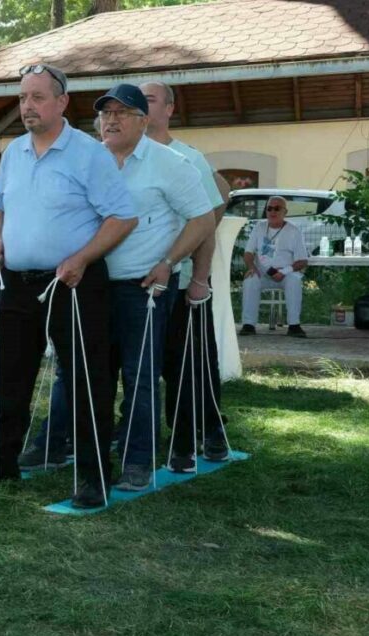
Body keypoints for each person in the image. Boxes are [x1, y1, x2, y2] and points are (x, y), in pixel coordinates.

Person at [0, 63, 137, 510]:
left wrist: (81, 258)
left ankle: (93, 476)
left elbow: (123, 217)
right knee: (9, 376)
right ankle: (2, 463)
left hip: (74, 282)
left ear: (61, 103)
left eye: (38, 97)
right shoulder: (15, 151)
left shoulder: (88, 153)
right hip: (17, 284)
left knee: (85, 379)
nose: (27, 106)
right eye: (23, 98)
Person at [93, 84, 215, 491]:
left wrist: (169, 264)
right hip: (92, 286)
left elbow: (202, 220)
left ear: (144, 121)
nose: (110, 119)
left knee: (140, 377)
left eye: (121, 112)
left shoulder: (171, 163)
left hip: (143, 288)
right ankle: (86, 454)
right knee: (92, 376)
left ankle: (137, 463)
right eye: (105, 112)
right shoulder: (91, 161)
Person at [141, 80, 233, 469]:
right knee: (149, 365)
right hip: (140, 282)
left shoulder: (186, 157)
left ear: (169, 110)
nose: (141, 108)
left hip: (181, 281)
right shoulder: (126, 154)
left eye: (149, 101)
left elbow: (220, 196)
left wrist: (199, 276)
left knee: (192, 364)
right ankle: (151, 435)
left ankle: (206, 435)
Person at [239, 196, 309, 338]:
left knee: (294, 280)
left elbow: (303, 260)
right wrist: (251, 267)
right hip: (262, 272)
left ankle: (294, 325)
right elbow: (248, 253)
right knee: (250, 280)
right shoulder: (259, 228)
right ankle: (248, 324)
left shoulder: (293, 231)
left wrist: (284, 271)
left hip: (285, 273)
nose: (272, 212)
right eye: (269, 208)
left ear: (285, 212)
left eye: (277, 208)